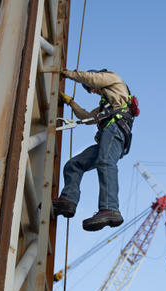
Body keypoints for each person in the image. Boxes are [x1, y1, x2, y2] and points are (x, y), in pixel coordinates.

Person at [52, 69, 138, 232]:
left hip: (115, 130)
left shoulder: (115, 79)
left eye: (91, 89)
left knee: (105, 162)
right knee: (74, 164)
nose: (93, 91)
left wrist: (67, 74)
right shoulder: (106, 105)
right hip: (109, 136)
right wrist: (70, 102)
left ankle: (110, 208)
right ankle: (68, 200)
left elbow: (92, 79)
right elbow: (87, 117)